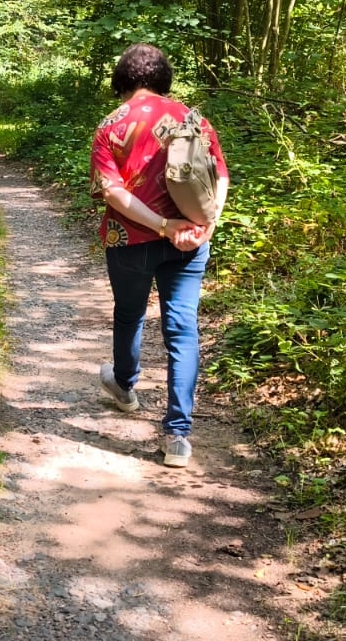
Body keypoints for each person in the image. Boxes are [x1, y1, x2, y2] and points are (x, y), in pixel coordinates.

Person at [90, 43, 230, 469]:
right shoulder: (193, 118)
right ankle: (178, 436)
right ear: (163, 79)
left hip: (128, 239)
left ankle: (125, 387)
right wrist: (206, 224)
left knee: (130, 314)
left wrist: (161, 226)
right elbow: (219, 176)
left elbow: (112, 191)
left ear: (122, 80)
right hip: (190, 240)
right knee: (182, 328)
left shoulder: (110, 126)